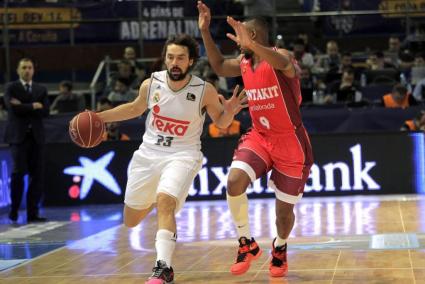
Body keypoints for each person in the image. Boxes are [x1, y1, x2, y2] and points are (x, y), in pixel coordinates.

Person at [96, 33, 247, 284]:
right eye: (170, 57)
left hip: (183, 155)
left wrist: (229, 111)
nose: (174, 62)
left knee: (165, 202)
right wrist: (99, 117)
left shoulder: (203, 90)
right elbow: (134, 109)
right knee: (130, 220)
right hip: (148, 155)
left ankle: (163, 267)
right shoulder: (151, 83)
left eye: (180, 58)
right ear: (165, 58)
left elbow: (220, 122)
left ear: (190, 61)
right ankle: (161, 208)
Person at [198, 1, 313, 278]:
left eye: (242, 36)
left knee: (283, 217)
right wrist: (204, 32)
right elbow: (217, 65)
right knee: (234, 181)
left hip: (290, 142)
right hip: (260, 137)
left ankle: (280, 247)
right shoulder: (245, 62)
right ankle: (246, 243)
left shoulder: (281, 57)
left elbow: (282, 62)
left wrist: (251, 43)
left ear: (254, 36)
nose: (237, 42)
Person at [4, 58, 50, 223]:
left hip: (37, 137)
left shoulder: (41, 88)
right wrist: (33, 106)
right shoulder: (11, 87)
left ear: (34, 70)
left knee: (37, 176)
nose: (27, 70)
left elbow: (45, 111)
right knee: (18, 173)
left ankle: (33, 212)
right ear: (18, 70)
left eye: (30, 67)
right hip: (18, 137)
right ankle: (14, 209)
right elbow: (12, 108)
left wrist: (23, 105)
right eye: (24, 67)